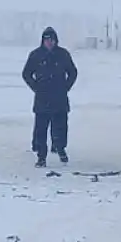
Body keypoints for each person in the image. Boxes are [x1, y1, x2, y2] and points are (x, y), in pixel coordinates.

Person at [21, 26, 78, 166]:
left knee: (60, 127)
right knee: (41, 129)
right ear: (43, 41)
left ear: (56, 40)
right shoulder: (36, 55)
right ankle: (41, 156)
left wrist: (65, 87)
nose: (49, 42)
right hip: (42, 99)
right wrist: (36, 87)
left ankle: (60, 148)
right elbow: (26, 73)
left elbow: (73, 72)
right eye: (47, 40)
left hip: (59, 98)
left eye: (52, 40)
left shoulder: (63, 54)